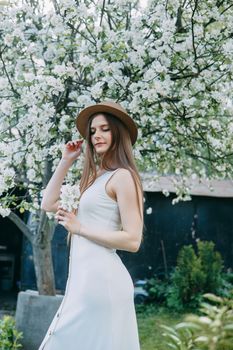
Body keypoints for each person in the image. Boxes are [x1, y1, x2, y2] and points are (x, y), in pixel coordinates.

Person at [39, 100, 144, 350]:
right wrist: (66, 160)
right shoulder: (94, 179)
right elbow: (48, 203)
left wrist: (80, 228)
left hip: (103, 284)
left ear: (118, 131)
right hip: (82, 282)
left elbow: (132, 240)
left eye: (105, 128)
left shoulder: (124, 177)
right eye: (93, 131)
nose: (97, 135)